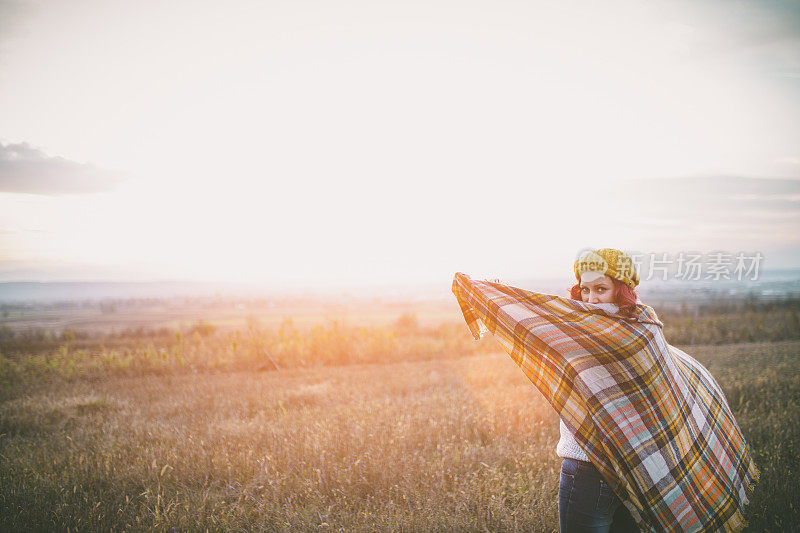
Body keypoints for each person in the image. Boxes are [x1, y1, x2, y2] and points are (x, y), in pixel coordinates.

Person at [558, 249, 640, 532]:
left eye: (601, 289)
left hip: (586, 467)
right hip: (628, 465)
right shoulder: (639, 327)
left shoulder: (586, 334)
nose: (591, 299)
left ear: (621, 291)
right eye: (585, 289)